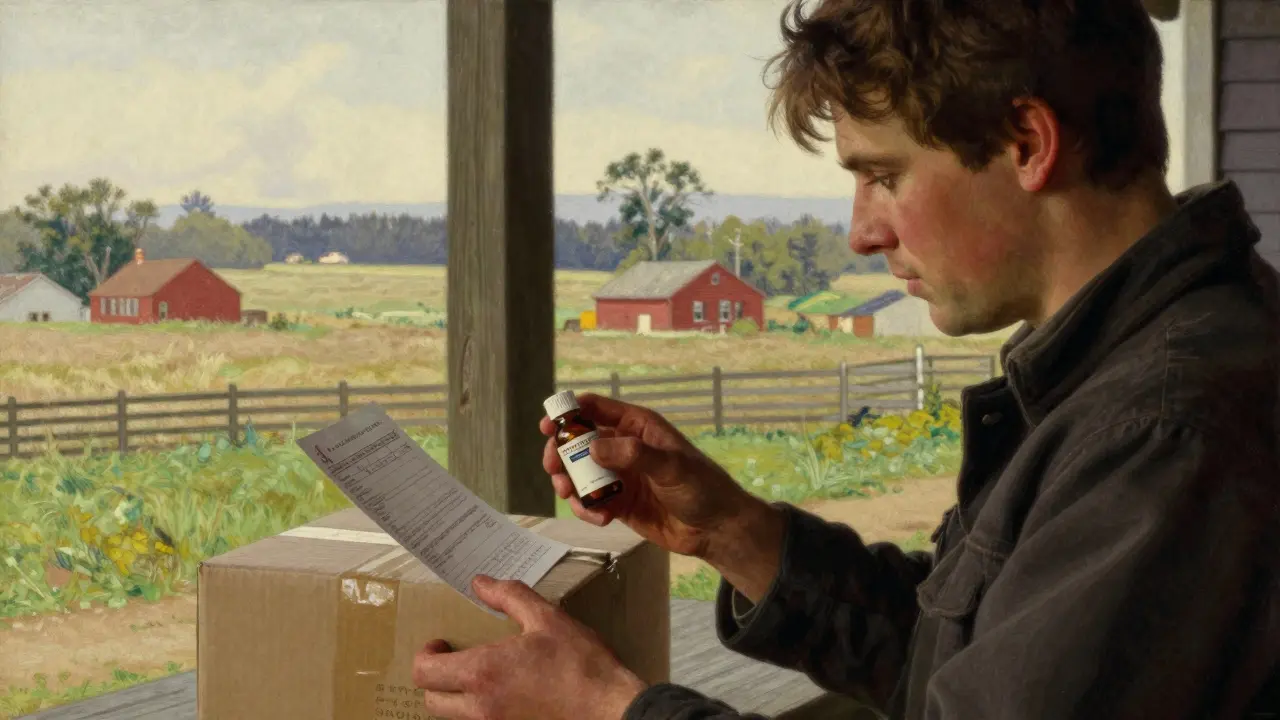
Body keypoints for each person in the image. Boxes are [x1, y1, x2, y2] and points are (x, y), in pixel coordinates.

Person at [411, 0, 1280, 717]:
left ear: (1027, 143)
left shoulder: (1167, 432)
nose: (862, 231)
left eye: (884, 175)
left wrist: (604, 708)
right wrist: (732, 531)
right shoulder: (1134, 370)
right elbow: (968, 662)